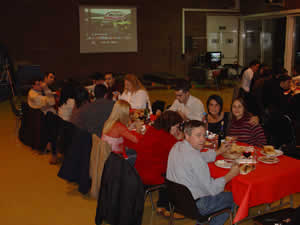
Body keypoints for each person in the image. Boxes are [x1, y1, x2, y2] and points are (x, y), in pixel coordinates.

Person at [167, 120, 240, 225]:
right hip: (197, 205)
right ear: (187, 136)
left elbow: (198, 158)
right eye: (198, 135)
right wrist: (231, 174)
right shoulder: (195, 158)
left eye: (204, 135)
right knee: (235, 197)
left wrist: (218, 151)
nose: (203, 139)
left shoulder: (177, 146)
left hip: (177, 201)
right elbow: (213, 189)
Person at [133, 111, 183, 217]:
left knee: (165, 169)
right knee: (177, 174)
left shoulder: (152, 130)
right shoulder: (166, 137)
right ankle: (171, 207)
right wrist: (179, 139)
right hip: (151, 177)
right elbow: (180, 151)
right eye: (177, 127)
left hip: (138, 172)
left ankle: (162, 205)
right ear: (170, 125)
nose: (178, 130)